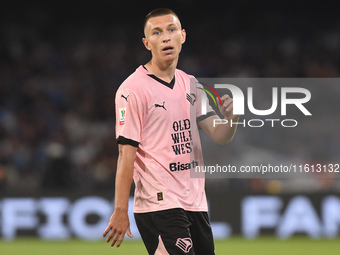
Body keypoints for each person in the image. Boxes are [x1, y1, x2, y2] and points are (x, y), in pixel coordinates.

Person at [103, 8, 239, 255]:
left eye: (171, 30)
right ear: (147, 43)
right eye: (157, 33)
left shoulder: (191, 84)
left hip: (195, 202)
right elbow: (126, 155)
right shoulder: (132, 89)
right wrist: (121, 209)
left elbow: (220, 136)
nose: (165, 37)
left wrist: (232, 118)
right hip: (160, 202)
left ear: (182, 36)